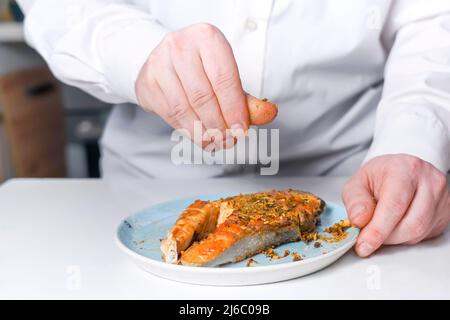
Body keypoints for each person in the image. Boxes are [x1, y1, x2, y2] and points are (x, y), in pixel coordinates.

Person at [17, 0, 450, 257]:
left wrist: (414, 135)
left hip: (358, 194)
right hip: (147, 189)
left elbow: (433, 17)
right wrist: (135, 52)